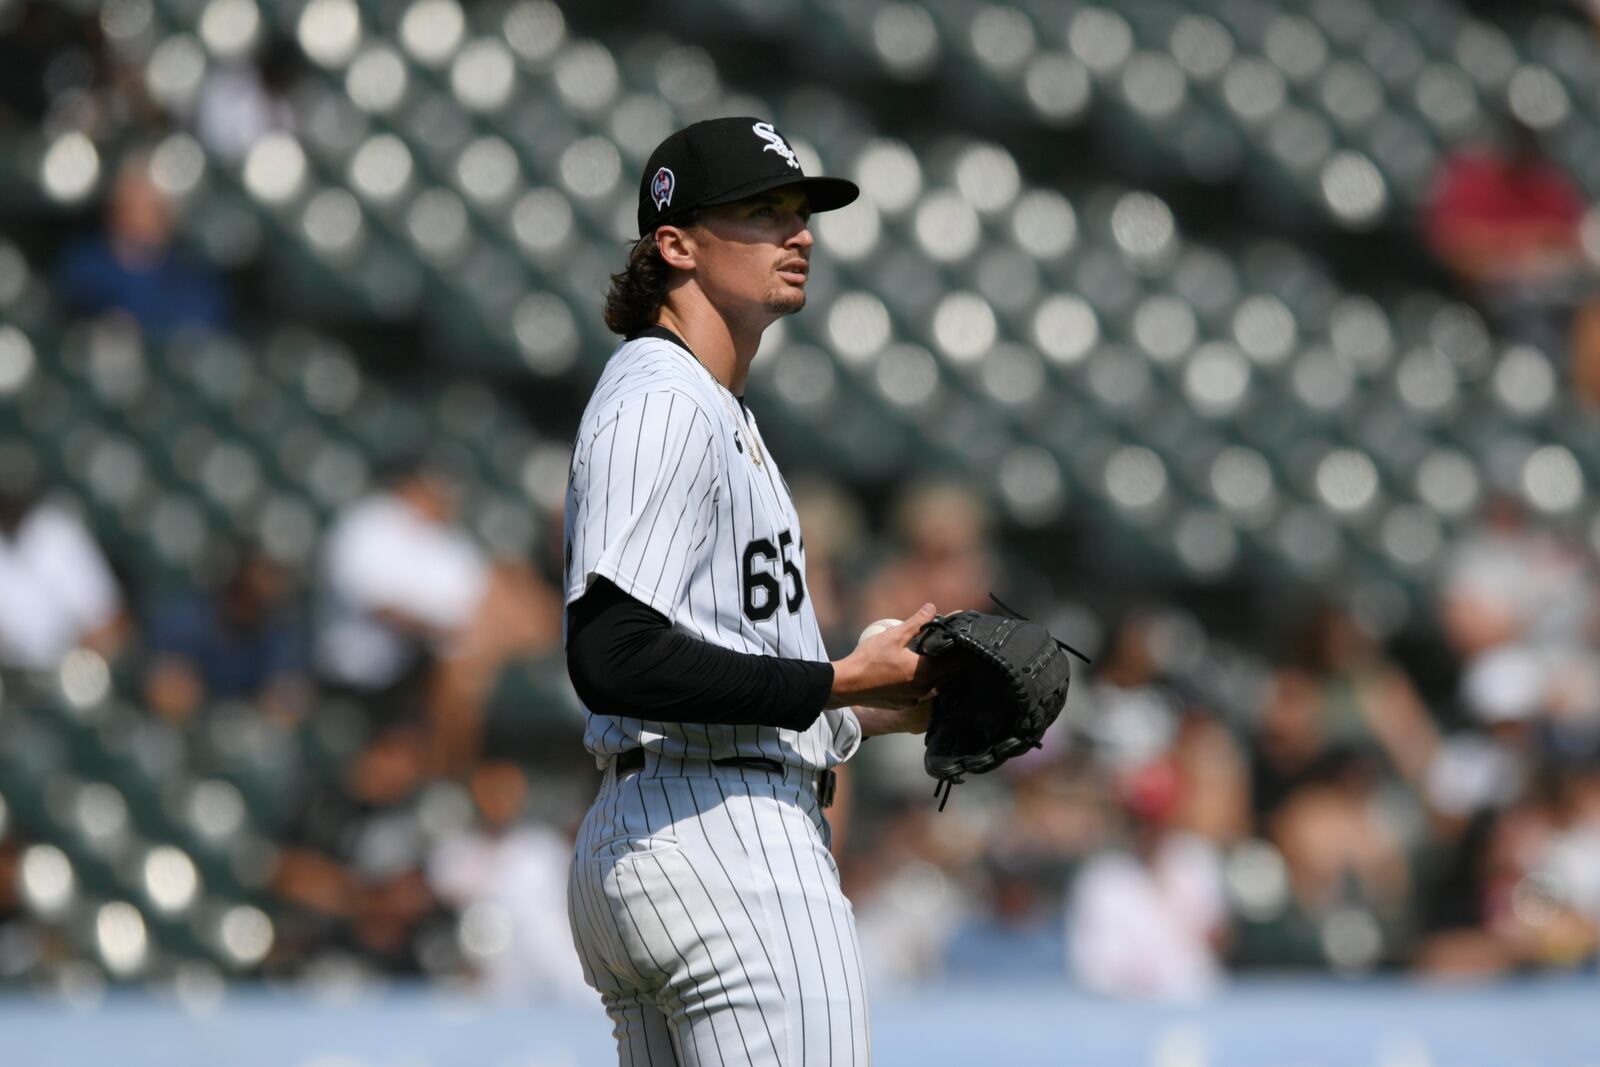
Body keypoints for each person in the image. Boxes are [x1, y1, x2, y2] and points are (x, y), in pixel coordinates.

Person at [562, 118, 950, 1066]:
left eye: (800, 212)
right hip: (732, 852)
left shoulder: (705, 402)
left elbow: (707, 658)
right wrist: (834, 684)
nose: (800, 232)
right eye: (763, 211)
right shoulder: (665, 399)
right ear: (676, 243)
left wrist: (873, 705)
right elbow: (612, 658)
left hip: (666, 823)